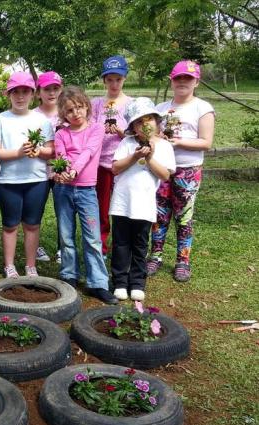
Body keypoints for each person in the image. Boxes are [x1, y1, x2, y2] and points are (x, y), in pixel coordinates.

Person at [148, 60, 215, 282]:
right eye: (178, 78)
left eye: (188, 78)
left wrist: (179, 142)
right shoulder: (160, 109)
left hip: (188, 170)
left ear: (196, 81)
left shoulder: (202, 108)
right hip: (161, 168)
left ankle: (182, 261)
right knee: (159, 214)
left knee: (184, 216)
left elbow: (206, 142)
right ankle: (155, 256)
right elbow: (151, 135)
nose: (182, 82)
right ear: (172, 80)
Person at [53, 86, 118, 305]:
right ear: (64, 113)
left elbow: (88, 152)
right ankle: (69, 275)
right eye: (70, 110)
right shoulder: (61, 133)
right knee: (66, 234)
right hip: (63, 190)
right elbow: (61, 156)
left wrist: (73, 171)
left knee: (92, 237)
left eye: (79, 107)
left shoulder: (96, 129)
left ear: (87, 107)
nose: (76, 113)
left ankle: (98, 282)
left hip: (86, 190)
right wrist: (62, 172)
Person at [0, 71, 55, 278]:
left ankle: (30, 265)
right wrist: (18, 153)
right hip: (8, 181)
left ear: (33, 94)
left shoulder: (42, 121)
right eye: (15, 92)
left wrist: (38, 151)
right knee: (10, 225)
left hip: (37, 180)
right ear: (7, 94)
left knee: (32, 224)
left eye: (25, 92)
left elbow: (51, 151)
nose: (20, 97)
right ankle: (9, 266)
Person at [110, 98, 175, 302]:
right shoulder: (126, 143)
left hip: (144, 206)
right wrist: (134, 156)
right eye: (139, 121)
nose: (145, 124)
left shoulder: (164, 146)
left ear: (157, 121)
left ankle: (137, 282)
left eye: (149, 119)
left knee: (140, 244)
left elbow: (165, 175)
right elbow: (115, 168)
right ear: (133, 127)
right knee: (120, 244)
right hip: (122, 204)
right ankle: (120, 281)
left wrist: (149, 158)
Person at [91, 55, 132, 259]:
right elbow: (88, 130)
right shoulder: (97, 104)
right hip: (100, 164)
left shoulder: (132, 104)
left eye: (118, 79)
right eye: (110, 79)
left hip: (124, 164)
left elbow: (137, 134)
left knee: (122, 208)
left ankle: (122, 246)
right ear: (104, 80)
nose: (114, 84)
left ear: (124, 78)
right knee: (102, 208)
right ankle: (101, 247)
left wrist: (120, 132)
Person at [33, 70, 65, 263]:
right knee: (36, 209)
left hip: (62, 170)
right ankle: (34, 245)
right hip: (39, 170)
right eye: (47, 89)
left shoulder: (66, 113)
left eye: (55, 88)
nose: (51, 93)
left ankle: (63, 247)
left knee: (64, 210)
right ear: (38, 92)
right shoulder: (33, 116)